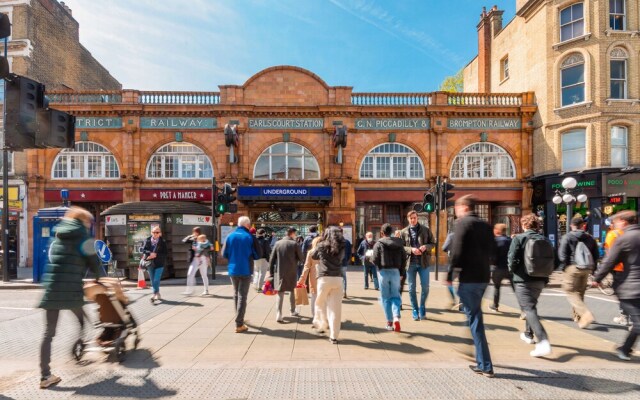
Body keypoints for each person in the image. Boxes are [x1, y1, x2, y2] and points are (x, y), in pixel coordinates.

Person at [39, 206, 100, 389]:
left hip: (51, 289)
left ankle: (45, 376)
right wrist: (99, 279)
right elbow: (95, 263)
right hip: (72, 290)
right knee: (84, 321)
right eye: (89, 221)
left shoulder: (57, 235)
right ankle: (80, 343)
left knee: (48, 333)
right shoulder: (84, 236)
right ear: (84, 221)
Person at [449, 195, 495, 378]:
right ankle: (479, 358)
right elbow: (493, 251)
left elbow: (456, 251)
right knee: (473, 316)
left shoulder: (463, 223)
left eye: (457, 208)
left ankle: (485, 365)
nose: (456, 212)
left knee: (475, 319)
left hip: (468, 278)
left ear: (464, 208)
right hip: (483, 278)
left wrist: (450, 274)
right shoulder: (485, 225)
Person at [592, 210, 640, 360]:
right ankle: (625, 348)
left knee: (638, 321)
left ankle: (625, 349)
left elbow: (609, 260)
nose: (614, 225)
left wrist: (597, 278)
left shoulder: (623, 238)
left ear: (623, 222)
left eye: (616, 222)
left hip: (631, 286)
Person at [508, 214, 552, 357]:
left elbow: (512, 259)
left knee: (528, 308)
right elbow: (555, 260)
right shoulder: (545, 240)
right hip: (540, 279)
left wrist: (513, 272)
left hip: (523, 280)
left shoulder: (519, 238)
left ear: (524, 225)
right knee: (530, 307)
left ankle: (543, 341)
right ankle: (528, 334)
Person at [558, 215, 599, 329]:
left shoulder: (568, 236)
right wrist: (593, 270)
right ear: (583, 226)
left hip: (573, 266)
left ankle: (585, 314)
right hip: (586, 268)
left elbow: (562, 255)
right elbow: (596, 255)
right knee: (580, 292)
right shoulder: (590, 238)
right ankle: (578, 317)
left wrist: (564, 266)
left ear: (571, 225)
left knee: (570, 290)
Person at [223, 216, 259, 333]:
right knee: (242, 295)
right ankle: (239, 324)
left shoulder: (230, 236)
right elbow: (257, 254)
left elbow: (224, 253)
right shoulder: (249, 237)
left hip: (233, 269)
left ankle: (239, 318)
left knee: (236, 294)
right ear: (247, 225)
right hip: (246, 269)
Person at [311, 226, 346, 344]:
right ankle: (334, 336)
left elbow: (313, 256)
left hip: (324, 278)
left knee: (319, 302)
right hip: (338, 278)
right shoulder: (342, 246)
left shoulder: (321, 245)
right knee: (336, 309)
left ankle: (321, 322)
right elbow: (342, 259)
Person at [400, 210, 435, 321]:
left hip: (423, 263)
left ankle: (422, 307)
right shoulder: (403, 232)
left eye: (414, 218)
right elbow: (401, 247)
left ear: (417, 218)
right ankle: (415, 309)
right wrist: (411, 249)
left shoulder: (426, 230)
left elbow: (433, 243)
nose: (413, 220)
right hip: (410, 264)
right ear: (408, 219)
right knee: (411, 289)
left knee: (425, 287)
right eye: (411, 218)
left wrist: (426, 247)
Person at [372, 223, 405, 332]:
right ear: (391, 232)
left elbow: (375, 259)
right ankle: (396, 316)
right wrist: (401, 273)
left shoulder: (378, 243)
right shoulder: (399, 243)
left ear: (382, 233)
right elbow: (404, 259)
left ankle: (389, 323)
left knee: (385, 298)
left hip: (383, 272)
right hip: (396, 271)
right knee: (395, 296)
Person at [269, 226, 304, 322]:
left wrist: (271, 273)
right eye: (295, 233)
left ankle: (278, 313)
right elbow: (301, 258)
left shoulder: (277, 243)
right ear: (292, 233)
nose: (295, 235)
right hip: (292, 271)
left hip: (280, 271)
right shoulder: (295, 244)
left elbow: (272, 259)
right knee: (292, 291)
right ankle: (292, 311)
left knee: (280, 292)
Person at [604, 215, 630, 327]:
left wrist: (602, 272)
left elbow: (610, 255)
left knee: (623, 294)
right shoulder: (631, 233)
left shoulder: (612, 234)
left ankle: (624, 317)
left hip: (618, 268)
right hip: (632, 267)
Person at [489, 223, 513, 312]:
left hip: (498, 268)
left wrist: (491, 264)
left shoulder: (495, 241)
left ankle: (495, 305)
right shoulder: (510, 240)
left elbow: (492, 256)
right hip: (510, 268)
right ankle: (524, 309)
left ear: (497, 231)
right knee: (517, 289)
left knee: (497, 287)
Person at [298, 236, 322, 318]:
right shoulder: (326, 252)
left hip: (313, 277)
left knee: (314, 297)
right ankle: (323, 316)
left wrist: (302, 279)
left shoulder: (310, 253)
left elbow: (306, 267)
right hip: (324, 277)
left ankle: (314, 316)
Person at [143, 226, 168, 304]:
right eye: (154, 232)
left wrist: (156, 255)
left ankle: (154, 294)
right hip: (150, 263)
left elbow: (165, 253)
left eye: (157, 232)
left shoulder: (163, 241)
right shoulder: (147, 240)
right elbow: (144, 250)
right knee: (152, 280)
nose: (155, 234)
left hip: (159, 263)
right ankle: (157, 293)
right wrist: (150, 254)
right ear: (151, 233)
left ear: (160, 233)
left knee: (156, 279)